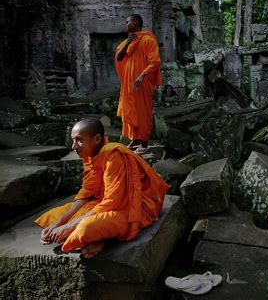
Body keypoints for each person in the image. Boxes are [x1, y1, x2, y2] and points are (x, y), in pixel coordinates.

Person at [35, 119, 169, 258]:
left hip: (131, 209)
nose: (74, 146)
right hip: (103, 204)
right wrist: (57, 225)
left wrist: (68, 227)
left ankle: (103, 238)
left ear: (97, 139)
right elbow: (87, 193)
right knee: (53, 216)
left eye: (79, 140)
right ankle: (98, 237)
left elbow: (113, 202)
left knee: (85, 227)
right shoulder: (91, 155)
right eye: (73, 141)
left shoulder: (114, 156)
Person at [115, 14, 162, 154]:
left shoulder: (147, 40)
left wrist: (142, 75)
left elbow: (155, 61)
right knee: (130, 110)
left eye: (128, 22)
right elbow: (119, 57)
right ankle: (135, 139)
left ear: (136, 23)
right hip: (129, 84)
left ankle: (144, 142)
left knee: (142, 112)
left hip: (142, 83)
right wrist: (128, 42)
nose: (126, 24)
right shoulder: (126, 42)